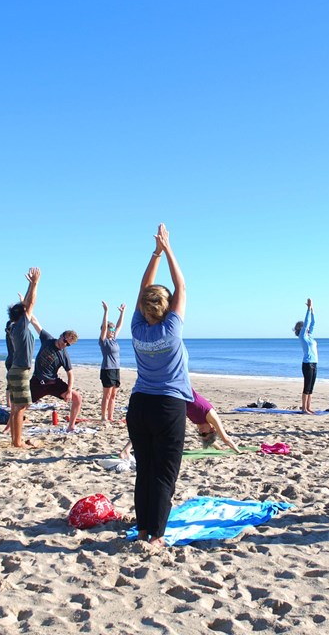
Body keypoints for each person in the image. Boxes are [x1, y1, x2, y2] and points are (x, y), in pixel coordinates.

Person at [126, 223, 192, 547]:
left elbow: (144, 288)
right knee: (164, 474)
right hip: (167, 407)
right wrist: (168, 250)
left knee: (145, 471)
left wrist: (155, 253)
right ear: (167, 309)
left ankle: (141, 530)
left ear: (143, 307)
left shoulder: (137, 327)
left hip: (139, 406)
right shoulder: (172, 329)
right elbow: (181, 284)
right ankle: (156, 537)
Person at [120, 387, 241, 458]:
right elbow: (225, 438)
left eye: (200, 434)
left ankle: (127, 449)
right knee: (150, 422)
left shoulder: (202, 424)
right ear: (212, 429)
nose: (200, 432)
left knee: (151, 423)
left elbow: (209, 441)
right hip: (179, 390)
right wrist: (239, 452)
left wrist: (220, 450)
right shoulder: (211, 416)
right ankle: (127, 450)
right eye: (203, 433)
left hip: (174, 398)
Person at [6, 268, 41, 448]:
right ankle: (17, 442)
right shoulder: (19, 326)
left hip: (17, 370)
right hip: (20, 371)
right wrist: (35, 283)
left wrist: (29, 285)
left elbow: (27, 304)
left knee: (16, 408)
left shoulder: (16, 326)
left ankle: (15, 440)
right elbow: (30, 303)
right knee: (21, 408)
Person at [29, 318, 81, 433]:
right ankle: (9, 426)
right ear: (61, 336)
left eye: (68, 344)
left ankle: (71, 426)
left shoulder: (64, 354)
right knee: (21, 404)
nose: (64, 344)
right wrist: (26, 305)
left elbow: (70, 373)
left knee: (77, 397)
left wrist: (69, 390)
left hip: (53, 383)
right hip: (37, 382)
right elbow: (35, 322)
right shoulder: (47, 339)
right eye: (64, 341)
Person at [99, 301, 126, 422]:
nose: (113, 331)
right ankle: (104, 417)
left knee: (114, 395)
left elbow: (120, 325)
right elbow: (104, 327)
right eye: (111, 329)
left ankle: (111, 416)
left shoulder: (114, 339)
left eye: (113, 329)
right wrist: (106, 312)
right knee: (107, 395)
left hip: (116, 369)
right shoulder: (104, 341)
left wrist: (122, 313)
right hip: (107, 370)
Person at [294, 298, 318, 414]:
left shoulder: (310, 336)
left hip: (314, 363)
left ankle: (308, 407)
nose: (308, 328)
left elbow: (313, 323)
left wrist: (312, 309)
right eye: (305, 327)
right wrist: (308, 309)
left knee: (311, 388)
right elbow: (307, 321)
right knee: (307, 387)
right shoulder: (303, 336)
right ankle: (303, 408)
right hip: (307, 364)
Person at [4, 319, 13, 407]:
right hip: (12, 360)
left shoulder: (8, 335)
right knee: (10, 383)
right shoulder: (11, 336)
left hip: (10, 359)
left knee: (10, 382)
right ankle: (9, 403)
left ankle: (9, 403)